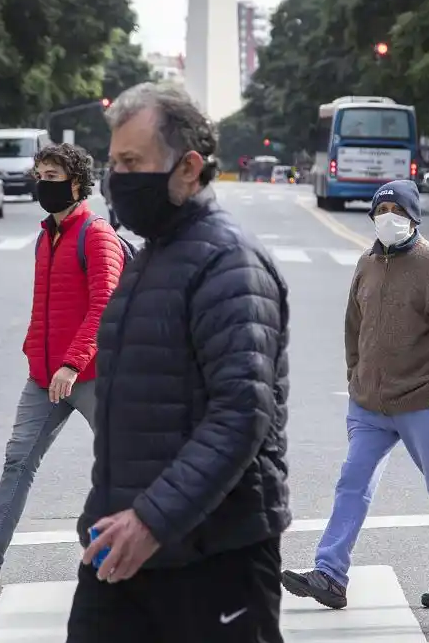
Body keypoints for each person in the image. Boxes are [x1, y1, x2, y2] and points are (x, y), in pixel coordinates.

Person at [66, 83, 290, 643]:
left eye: (131, 162)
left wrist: (151, 520)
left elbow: (241, 412)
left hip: (213, 559)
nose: (116, 179)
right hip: (125, 551)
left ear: (188, 169)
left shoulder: (228, 262)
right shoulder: (151, 256)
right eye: (113, 162)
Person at [0, 143, 126, 586]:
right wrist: (36, 352)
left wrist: (73, 363)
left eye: (52, 177)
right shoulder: (46, 235)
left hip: (94, 375)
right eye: (39, 176)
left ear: (76, 183)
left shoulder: (95, 234)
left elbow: (105, 307)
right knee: (18, 461)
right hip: (45, 375)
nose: (42, 184)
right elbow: (46, 306)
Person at [281, 179, 429, 611]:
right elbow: (353, 326)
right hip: (369, 404)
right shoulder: (367, 263)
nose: (387, 216)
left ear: (413, 216)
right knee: (351, 484)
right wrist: (356, 377)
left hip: (421, 402)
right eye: (381, 209)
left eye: (396, 209)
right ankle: (330, 573)